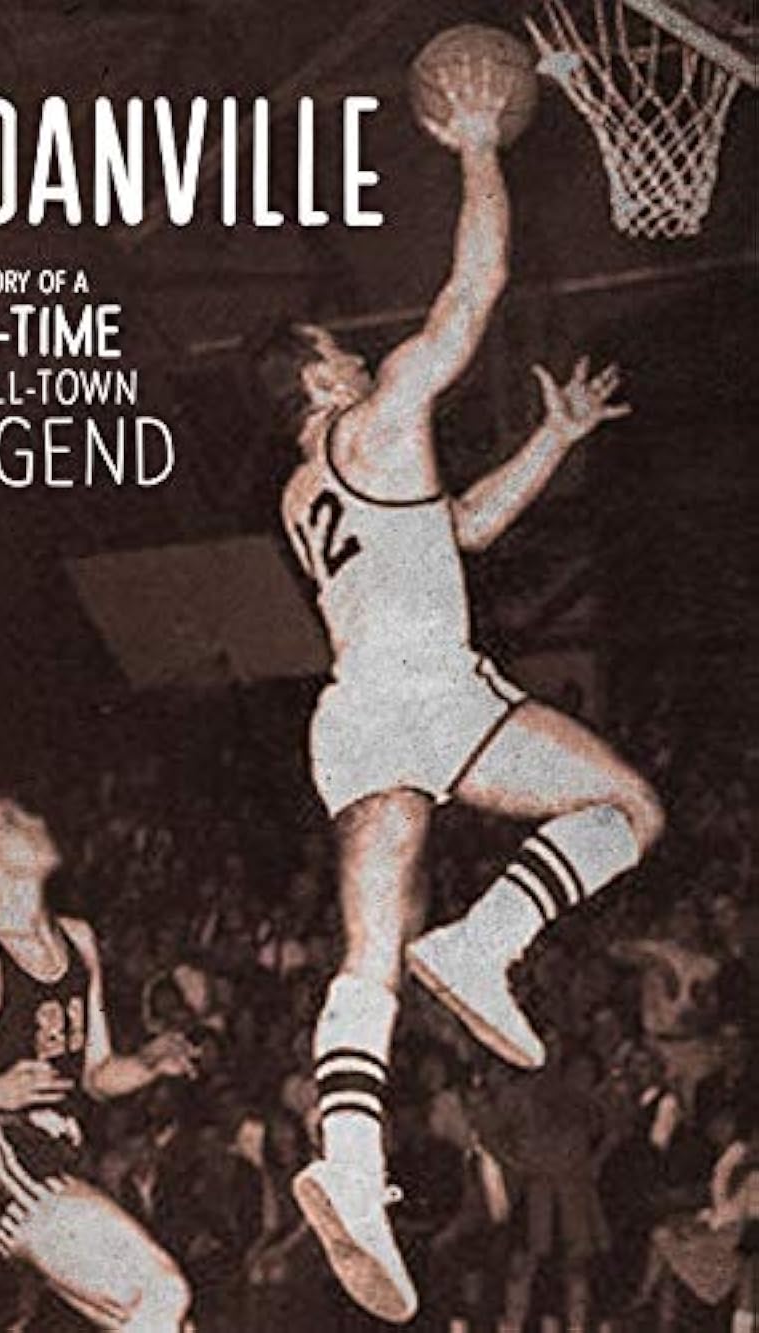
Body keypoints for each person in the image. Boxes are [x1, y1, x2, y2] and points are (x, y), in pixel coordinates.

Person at [258, 57, 664, 1324]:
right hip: (421, 696)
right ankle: (473, 959)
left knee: (381, 945)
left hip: (382, 704)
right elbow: (472, 291)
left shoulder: (309, 490)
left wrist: (553, 438)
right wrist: (481, 144)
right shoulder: (370, 419)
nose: (359, 354)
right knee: (621, 814)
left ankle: (361, 1142)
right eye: (341, 351)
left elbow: (464, 527)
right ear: (318, 376)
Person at [0, 794, 197, 1331]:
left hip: (60, 1159)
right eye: (10, 821)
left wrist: (147, 1063)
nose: (35, 819)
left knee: (164, 1322)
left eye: (28, 811)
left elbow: (96, 1075)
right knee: (163, 1290)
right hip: (2, 1164)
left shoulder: (78, 939)